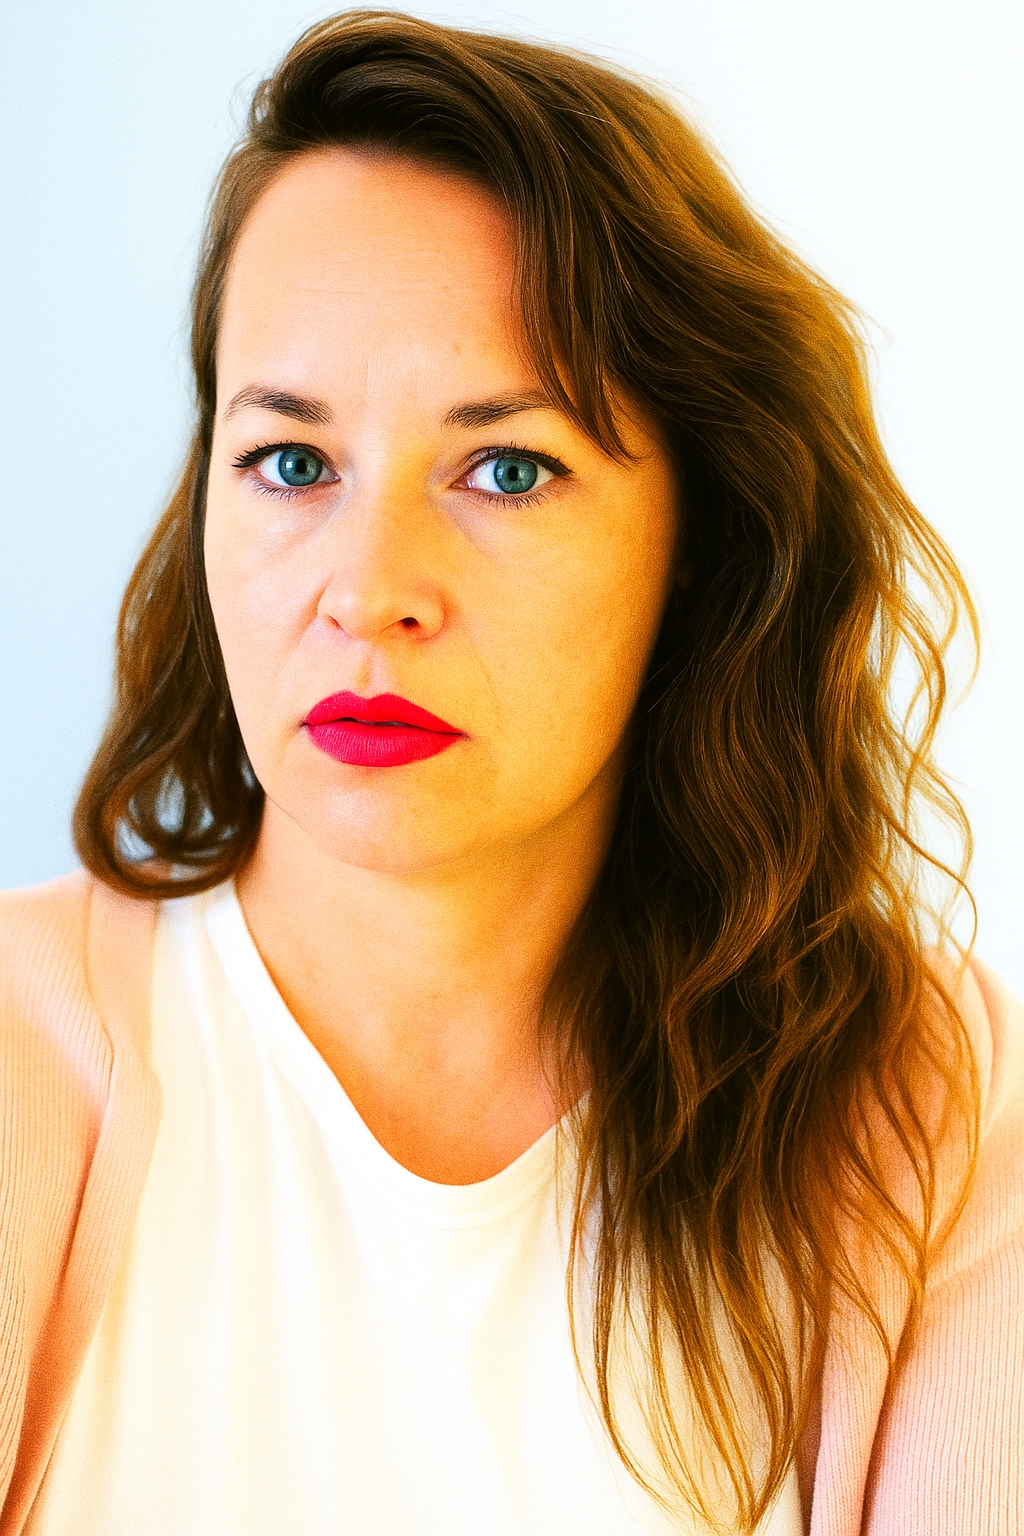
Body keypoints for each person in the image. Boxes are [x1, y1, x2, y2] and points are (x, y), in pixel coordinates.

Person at [1, 10, 1021, 1535]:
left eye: (506, 467)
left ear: (701, 543)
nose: (368, 592)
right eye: (290, 460)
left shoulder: (928, 1096)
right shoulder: (25, 1046)